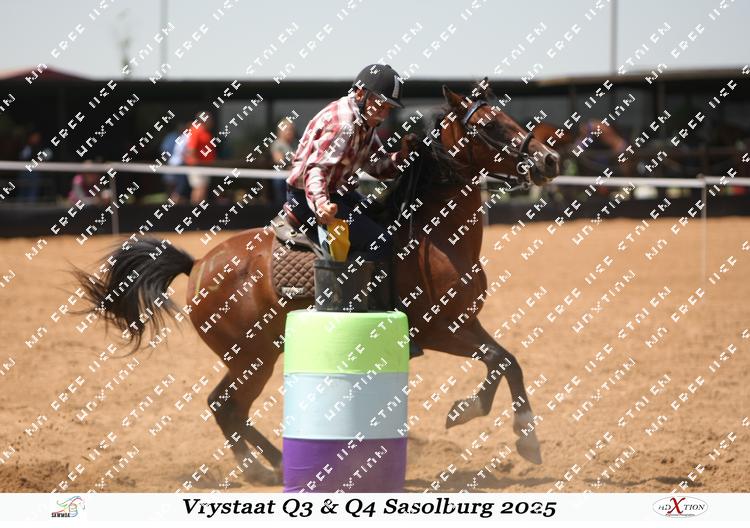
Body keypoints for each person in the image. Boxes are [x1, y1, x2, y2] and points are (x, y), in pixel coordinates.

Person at [284, 63, 417, 313]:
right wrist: (321, 205)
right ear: (360, 94)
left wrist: (403, 157)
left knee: (382, 215)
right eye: (381, 105)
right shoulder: (342, 123)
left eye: (389, 109)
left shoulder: (365, 122)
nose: (384, 114)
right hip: (308, 198)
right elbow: (316, 170)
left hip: (337, 194)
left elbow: (377, 166)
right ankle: (350, 305)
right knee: (380, 242)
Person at [183, 112, 216, 204]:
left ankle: (201, 210)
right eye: (209, 119)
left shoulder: (205, 132)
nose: (212, 121)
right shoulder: (195, 130)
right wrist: (198, 164)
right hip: (197, 166)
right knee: (199, 189)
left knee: (203, 189)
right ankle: (195, 210)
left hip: (205, 166)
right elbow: (191, 150)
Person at [160, 122, 190, 204]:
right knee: (170, 184)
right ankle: (171, 201)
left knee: (179, 187)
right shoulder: (171, 137)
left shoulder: (185, 137)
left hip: (180, 165)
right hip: (172, 164)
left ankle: (174, 201)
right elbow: (164, 150)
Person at [269, 119, 297, 209]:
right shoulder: (278, 144)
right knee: (282, 204)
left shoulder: (294, 145)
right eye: (287, 129)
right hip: (282, 177)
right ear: (280, 131)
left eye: (291, 129)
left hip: (293, 177)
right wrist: (292, 162)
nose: (289, 132)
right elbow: (279, 160)